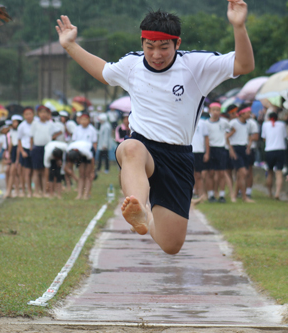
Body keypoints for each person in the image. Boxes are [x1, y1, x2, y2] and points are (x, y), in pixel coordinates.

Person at [57, 1, 254, 254]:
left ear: (177, 43)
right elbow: (103, 71)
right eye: (150, 47)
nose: (156, 55)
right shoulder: (132, 65)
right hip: (143, 148)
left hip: (178, 157)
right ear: (142, 43)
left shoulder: (196, 66)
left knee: (171, 245)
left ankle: (145, 217)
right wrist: (70, 45)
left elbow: (244, 65)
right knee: (130, 148)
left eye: (163, 47)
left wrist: (239, 26)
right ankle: (138, 204)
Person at [30, 105, 61, 197]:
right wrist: (31, 147)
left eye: (45, 113)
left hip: (47, 148)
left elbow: (59, 131)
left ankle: (45, 191)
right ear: (38, 114)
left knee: (45, 171)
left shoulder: (50, 124)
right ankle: (36, 191)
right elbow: (31, 137)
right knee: (36, 171)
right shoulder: (35, 123)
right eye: (41, 112)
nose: (43, 115)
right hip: (37, 148)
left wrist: (52, 137)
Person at [226, 106, 254, 203]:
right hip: (235, 148)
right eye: (248, 112)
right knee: (243, 172)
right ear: (242, 113)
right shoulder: (233, 123)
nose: (249, 114)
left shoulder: (248, 124)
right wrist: (231, 150)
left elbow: (250, 136)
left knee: (241, 175)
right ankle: (244, 196)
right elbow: (226, 136)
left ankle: (235, 195)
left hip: (244, 148)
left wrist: (249, 146)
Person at [205, 102, 230, 203]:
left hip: (221, 149)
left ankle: (222, 195)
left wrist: (225, 137)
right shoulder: (206, 123)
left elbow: (232, 130)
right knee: (210, 172)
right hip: (211, 148)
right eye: (213, 110)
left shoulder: (224, 122)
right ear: (210, 111)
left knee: (221, 173)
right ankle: (211, 195)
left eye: (217, 110)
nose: (215, 112)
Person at [261, 112, 287, 200]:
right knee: (279, 173)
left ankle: (270, 192)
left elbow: (264, 138)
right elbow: (284, 136)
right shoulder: (282, 125)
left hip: (269, 150)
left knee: (270, 172)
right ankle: (278, 193)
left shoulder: (265, 125)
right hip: (280, 149)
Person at [17, 107, 35, 197]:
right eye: (26, 114)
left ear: (33, 114)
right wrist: (22, 151)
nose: (28, 116)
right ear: (24, 116)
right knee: (26, 172)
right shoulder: (22, 126)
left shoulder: (36, 124)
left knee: (34, 171)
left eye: (30, 114)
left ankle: (36, 190)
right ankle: (26, 191)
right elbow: (19, 140)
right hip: (25, 149)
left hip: (35, 149)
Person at [4, 115, 23, 198]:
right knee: (12, 172)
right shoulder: (12, 131)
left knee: (19, 172)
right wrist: (9, 154)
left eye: (15, 122)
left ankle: (19, 191)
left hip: (20, 149)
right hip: (14, 151)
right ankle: (10, 191)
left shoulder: (21, 131)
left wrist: (18, 158)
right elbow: (11, 143)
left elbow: (19, 143)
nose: (14, 124)